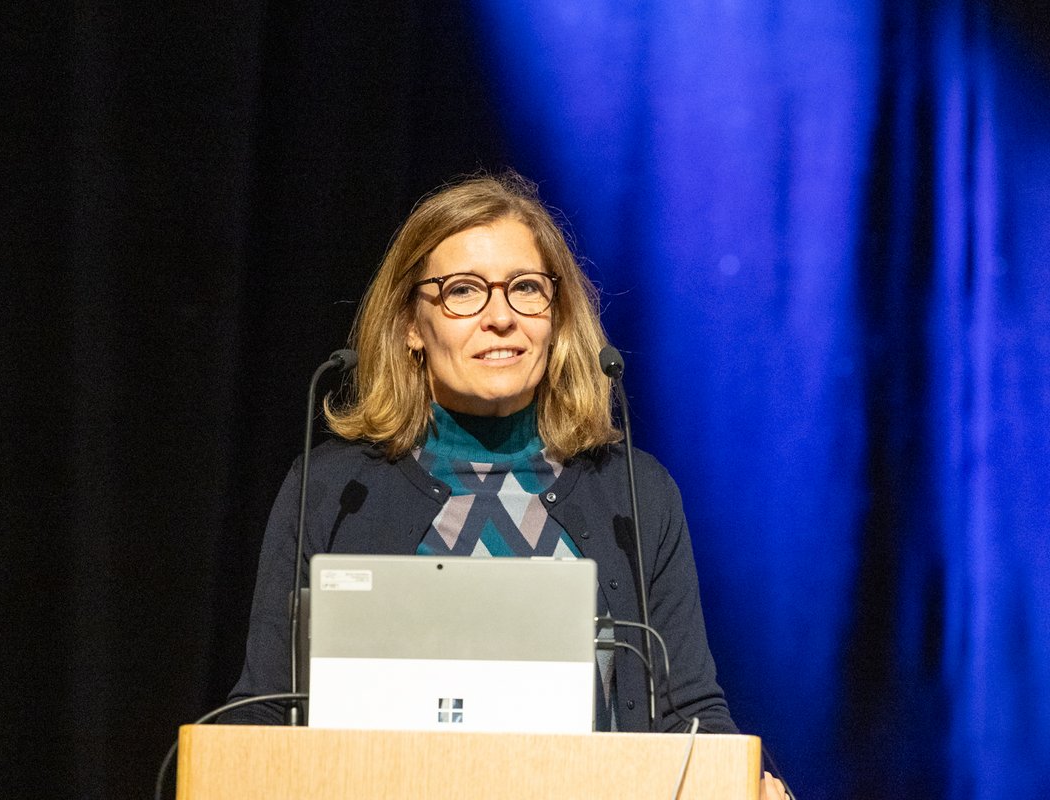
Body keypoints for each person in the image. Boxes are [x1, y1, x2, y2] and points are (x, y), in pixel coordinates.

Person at [221, 171, 787, 799]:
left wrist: (749, 783)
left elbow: (690, 714)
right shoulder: (332, 490)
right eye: (463, 291)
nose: (501, 318)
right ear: (411, 324)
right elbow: (263, 711)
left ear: (556, 315)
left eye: (525, 289)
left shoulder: (635, 494)